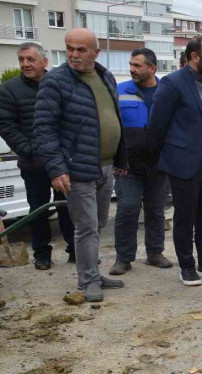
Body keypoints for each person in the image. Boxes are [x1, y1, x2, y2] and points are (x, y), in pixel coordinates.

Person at [34, 28, 127, 301]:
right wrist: (57, 167)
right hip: (77, 169)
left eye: (81, 49)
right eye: (70, 48)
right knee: (86, 226)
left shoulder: (105, 75)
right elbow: (44, 128)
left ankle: (93, 274)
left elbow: (113, 117)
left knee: (98, 224)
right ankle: (87, 281)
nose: (74, 54)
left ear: (95, 52)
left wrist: (120, 158)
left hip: (106, 165)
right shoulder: (56, 82)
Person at [149, 36, 202, 287]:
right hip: (184, 162)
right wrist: (168, 158)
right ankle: (187, 266)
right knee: (185, 217)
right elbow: (157, 126)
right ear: (195, 57)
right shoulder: (172, 83)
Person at [0, 42, 75, 270]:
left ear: (45, 62)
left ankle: (75, 250)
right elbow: (6, 125)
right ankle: (42, 254)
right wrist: (29, 149)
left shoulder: (61, 84)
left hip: (62, 161)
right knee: (37, 209)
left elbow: (72, 119)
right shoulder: (9, 90)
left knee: (68, 207)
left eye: (30, 59)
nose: (25, 64)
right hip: (33, 163)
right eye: (22, 59)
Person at [109, 48, 173, 276]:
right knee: (127, 208)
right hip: (128, 164)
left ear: (152, 68)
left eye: (137, 65)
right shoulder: (119, 91)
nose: (132, 69)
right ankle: (123, 258)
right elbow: (112, 126)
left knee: (156, 209)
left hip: (159, 164)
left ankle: (155, 253)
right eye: (131, 64)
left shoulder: (167, 91)